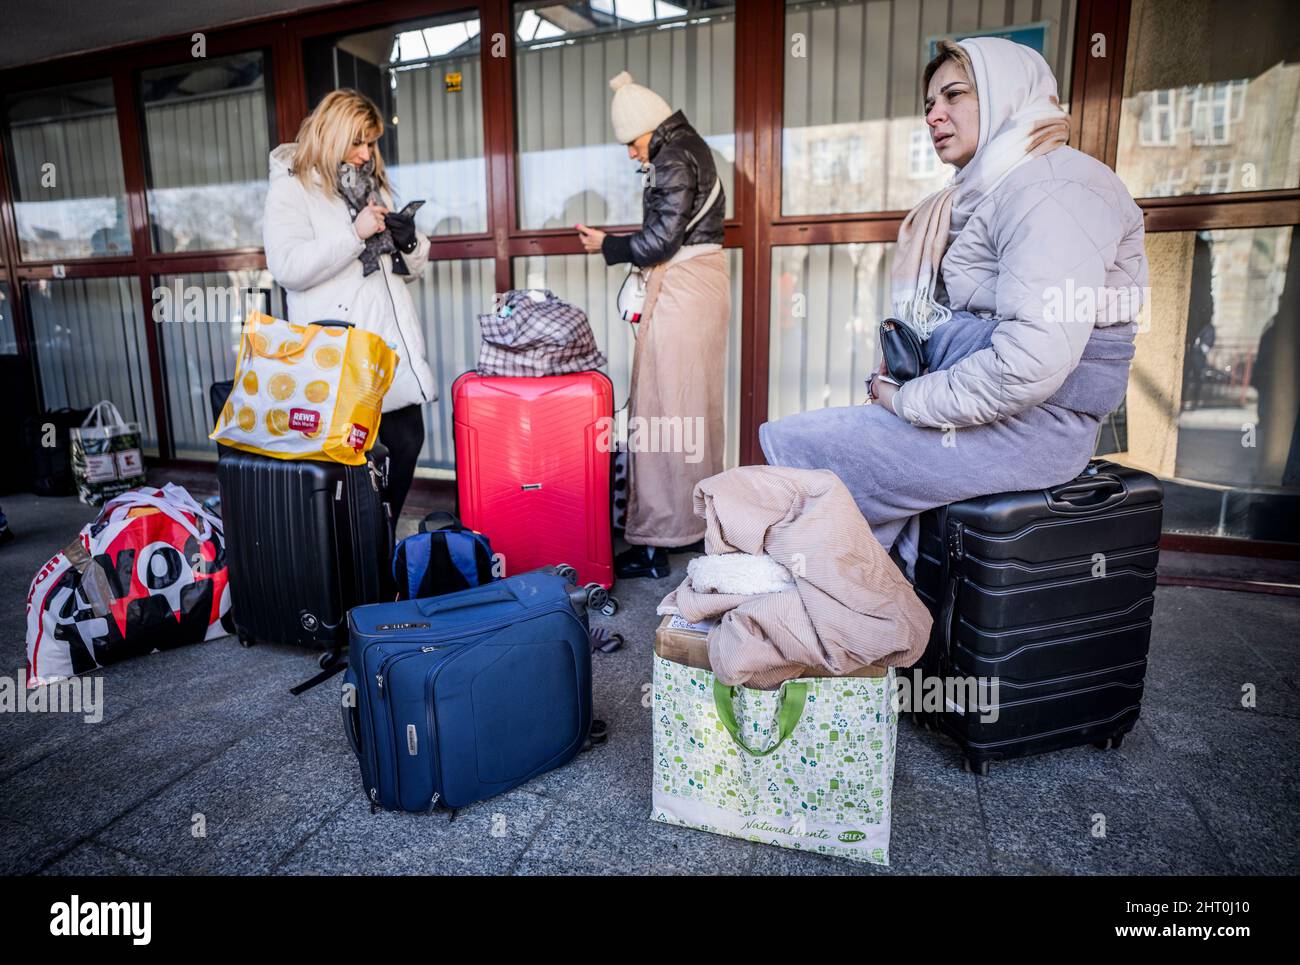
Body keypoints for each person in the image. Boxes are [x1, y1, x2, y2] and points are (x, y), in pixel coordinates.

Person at [759, 37, 1149, 574]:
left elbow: (1028, 364)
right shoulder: (984, 191)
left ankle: (838, 619)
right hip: (989, 407)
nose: (933, 116)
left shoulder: (1057, 188)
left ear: (1007, 96)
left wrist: (906, 400)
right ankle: (851, 608)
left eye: (954, 95)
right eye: (928, 105)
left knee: (810, 454)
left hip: (1038, 424)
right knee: (814, 449)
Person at [576, 72, 729, 580]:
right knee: (693, 414)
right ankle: (692, 525)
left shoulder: (671, 156)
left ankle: (656, 543)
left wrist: (608, 246)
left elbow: (660, 241)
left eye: (632, 143)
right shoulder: (692, 147)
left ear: (648, 129)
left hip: (682, 289)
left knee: (660, 411)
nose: (632, 154)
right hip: (703, 288)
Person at [262, 89, 436, 519]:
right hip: (340, 355)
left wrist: (408, 240)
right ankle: (359, 564)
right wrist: (353, 234)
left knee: (406, 441)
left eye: (371, 142)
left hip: (389, 346)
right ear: (331, 135)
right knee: (353, 470)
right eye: (357, 142)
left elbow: (407, 269)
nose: (365, 153)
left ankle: (382, 544)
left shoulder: (370, 186)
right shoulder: (292, 189)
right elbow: (288, 267)